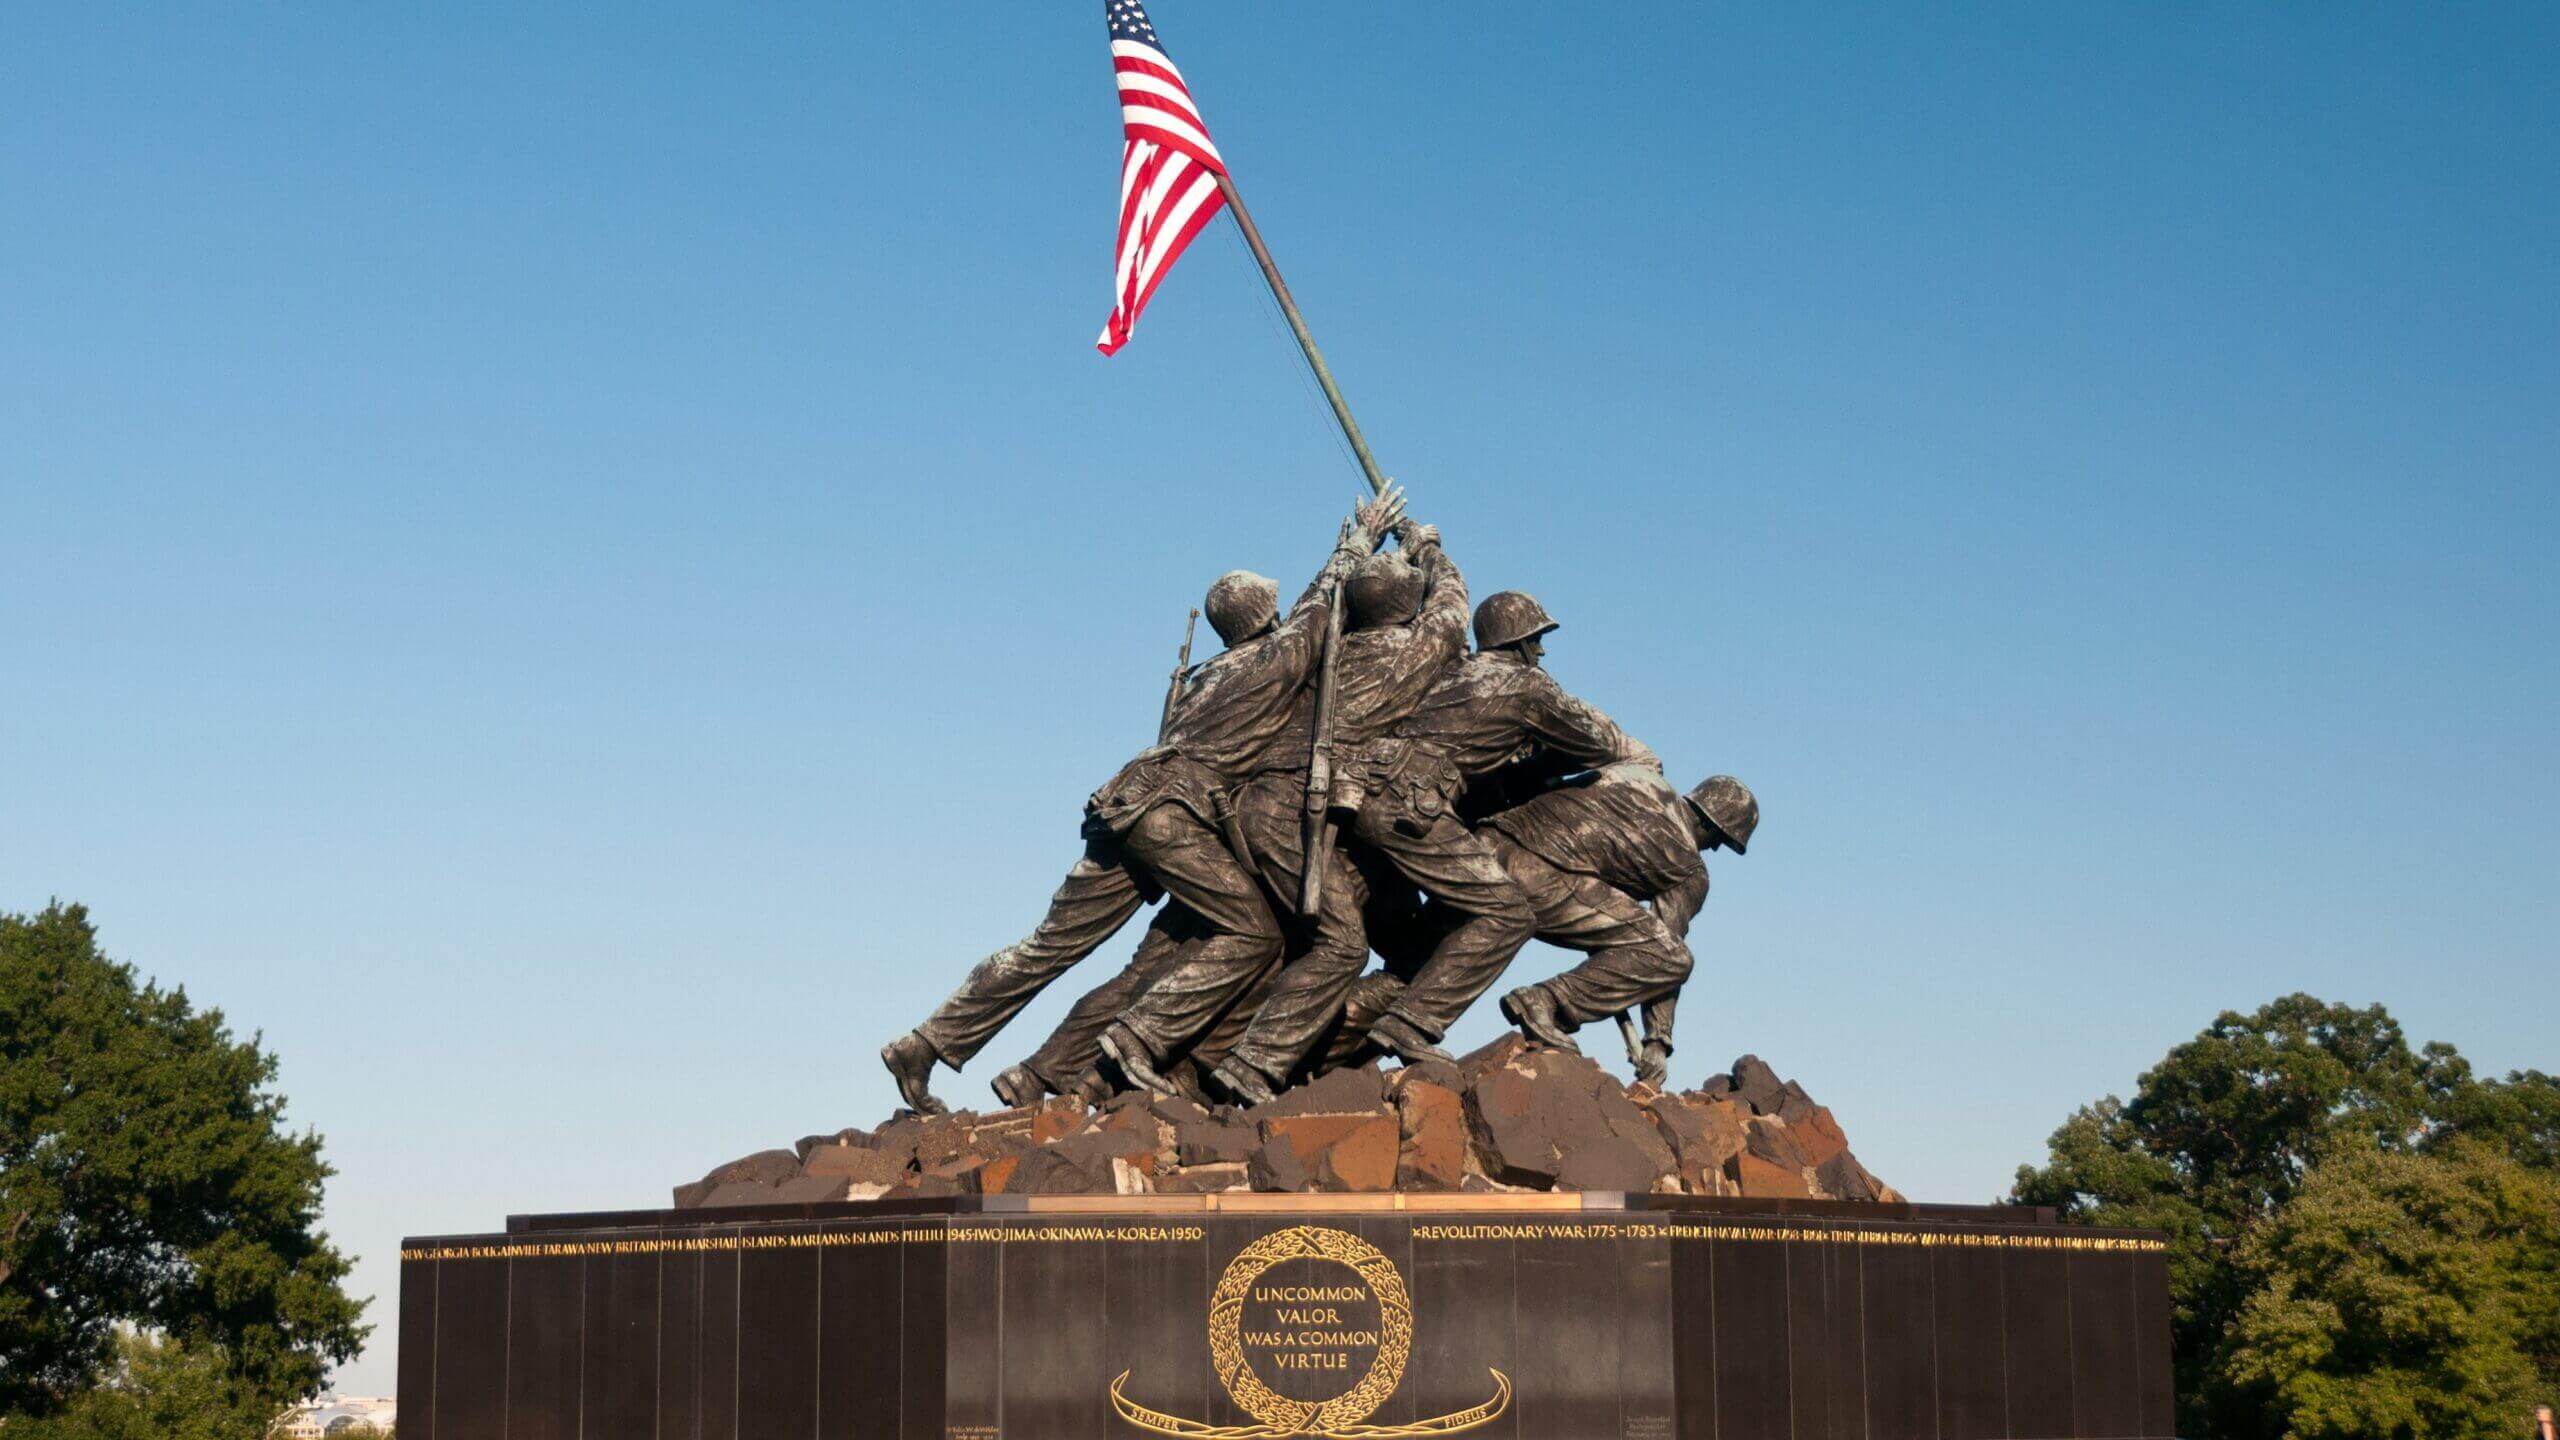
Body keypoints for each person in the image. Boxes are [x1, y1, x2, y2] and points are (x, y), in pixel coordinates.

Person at [876, 492, 1404, 1113]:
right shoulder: (1272, 661)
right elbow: (1321, 610)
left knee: (1047, 946)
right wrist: (1356, 544)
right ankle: (1138, 1041)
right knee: (1254, 934)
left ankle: (927, 1041)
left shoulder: (1204, 679)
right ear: (1264, 616)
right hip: (1169, 815)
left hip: (1121, 803)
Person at [1103, 524, 1472, 1102]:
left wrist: (1362, 553)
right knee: (1342, 944)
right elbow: (1452, 607)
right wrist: (1429, 547)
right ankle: (1243, 1061)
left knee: (1286, 940)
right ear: (1407, 605)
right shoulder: (1415, 651)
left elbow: (1312, 609)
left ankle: (1207, 1058)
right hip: (1292, 810)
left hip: (1250, 809)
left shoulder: (1322, 651)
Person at [1335, 590, 1656, 1063]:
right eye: (1537, 640)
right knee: (1509, 915)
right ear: (1520, 642)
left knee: (1405, 949)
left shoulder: (1451, 672)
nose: (1542, 652)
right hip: (1411, 802)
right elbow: (1598, 741)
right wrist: (1640, 758)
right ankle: (1411, 1024)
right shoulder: (1527, 686)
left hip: (1364, 794)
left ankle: (1320, 1050)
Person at [1491, 768, 1757, 1085]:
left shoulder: (1638, 779)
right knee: (1672, 957)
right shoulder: (1688, 866)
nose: (1713, 849)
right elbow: (1665, 948)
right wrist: (1657, 1042)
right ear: (1708, 824)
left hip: (1487, 844)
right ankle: (1546, 1000)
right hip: (1538, 878)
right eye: (1719, 840)